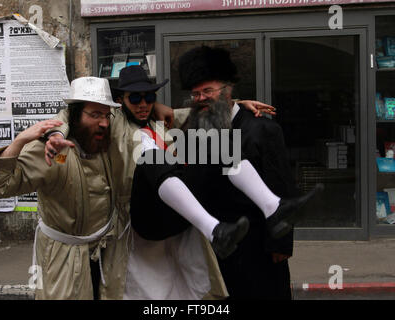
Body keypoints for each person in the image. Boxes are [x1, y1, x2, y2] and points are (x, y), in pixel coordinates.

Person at [43, 66, 279, 299]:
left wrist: (237, 104)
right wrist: (57, 134)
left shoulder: (159, 122)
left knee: (214, 143)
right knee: (141, 289)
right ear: (120, 101)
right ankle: (214, 229)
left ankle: (272, 207)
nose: (143, 104)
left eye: (149, 97)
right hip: (139, 218)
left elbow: (192, 112)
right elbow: (67, 115)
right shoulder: (113, 123)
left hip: (170, 212)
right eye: (135, 98)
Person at [173, 45, 313, 299]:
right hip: (212, 246)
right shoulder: (192, 130)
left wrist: (280, 244)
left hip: (256, 247)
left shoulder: (262, 129)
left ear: (228, 90)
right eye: (195, 93)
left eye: (207, 90)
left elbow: (282, 187)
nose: (201, 98)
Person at [0, 77, 119, 300]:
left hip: (105, 257)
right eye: (95, 115)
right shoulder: (53, 151)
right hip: (64, 262)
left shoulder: (103, 139)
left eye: (106, 115)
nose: (104, 122)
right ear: (75, 115)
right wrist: (19, 142)